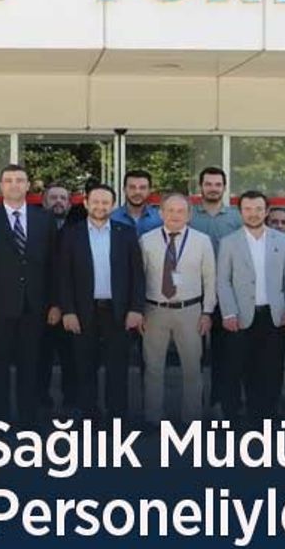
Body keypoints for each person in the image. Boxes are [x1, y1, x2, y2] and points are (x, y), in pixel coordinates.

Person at [0, 164, 58, 426]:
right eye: (8, 180)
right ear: (1, 186)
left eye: (19, 180)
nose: (14, 184)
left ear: (28, 186)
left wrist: (55, 303)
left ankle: (28, 420)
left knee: (31, 366)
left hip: (34, 306)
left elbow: (54, 265)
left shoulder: (44, 219)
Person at [215, 190, 285, 424]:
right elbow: (223, 281)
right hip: (240, 317)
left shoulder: (282, 241)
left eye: (258, 209)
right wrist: (229, 312)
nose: (253, 214)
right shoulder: (229, 242)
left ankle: (265, 420)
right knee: (235, 370)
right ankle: (233, 420)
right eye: (248, 209)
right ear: (240, 211)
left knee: (271, 371)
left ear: (266, 211)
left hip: (274, 317)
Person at [58, 184, 145, 419]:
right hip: (83, 312)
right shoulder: (71, 233)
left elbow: (137, 275)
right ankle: (89, 417)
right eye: (95, 201)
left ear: (113, 205)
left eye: (105, 202)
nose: (100, 206)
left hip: (118, 312)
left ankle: (117, 418)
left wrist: (136, 309)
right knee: (84, 368)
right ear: (86, 203)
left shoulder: (126, 233)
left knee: (118, 369)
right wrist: (68, 311)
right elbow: (63, 276)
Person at [140, 193, 216, 426]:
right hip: (154, 310)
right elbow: (139, 278)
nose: (175, 215)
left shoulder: (202, 241)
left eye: (181, 211)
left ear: (189, 215)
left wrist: (207, 312)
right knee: (153, 368)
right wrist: (139, 312)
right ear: (161, 213)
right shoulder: (146, 240)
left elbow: (210, 278)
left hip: (190, 311)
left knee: (192, 369)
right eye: (170, 210)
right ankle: (153, 418)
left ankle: (191, 419)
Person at [188, 167, 243, 417]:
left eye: (217, 184)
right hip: (194, 291)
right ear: (200, 186)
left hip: (226, 292)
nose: (213, 188)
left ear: (224, 187)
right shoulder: (189, 215)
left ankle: (221, 405)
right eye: (208, 184)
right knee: (194, 353)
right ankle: (195, 406)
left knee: (226, 353)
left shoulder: (236, 217)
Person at [38, 181, 77, 413]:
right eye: (53, 198)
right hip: (40, 307)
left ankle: (71, 404)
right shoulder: (34, 228)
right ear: (44, 202)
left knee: (71, 359)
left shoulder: (78, 230)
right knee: (40, 359)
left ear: (70, 204)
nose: (58, 202)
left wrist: (63, 305)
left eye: (63, 198)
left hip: (71, 307)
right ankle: (41, 404)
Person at [110, 170, 163, 237]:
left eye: (142, 188)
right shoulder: (112, 218)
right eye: (132, 187)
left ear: (149, 191)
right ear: (124, 190)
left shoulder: (161, 218)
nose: (137, 192)